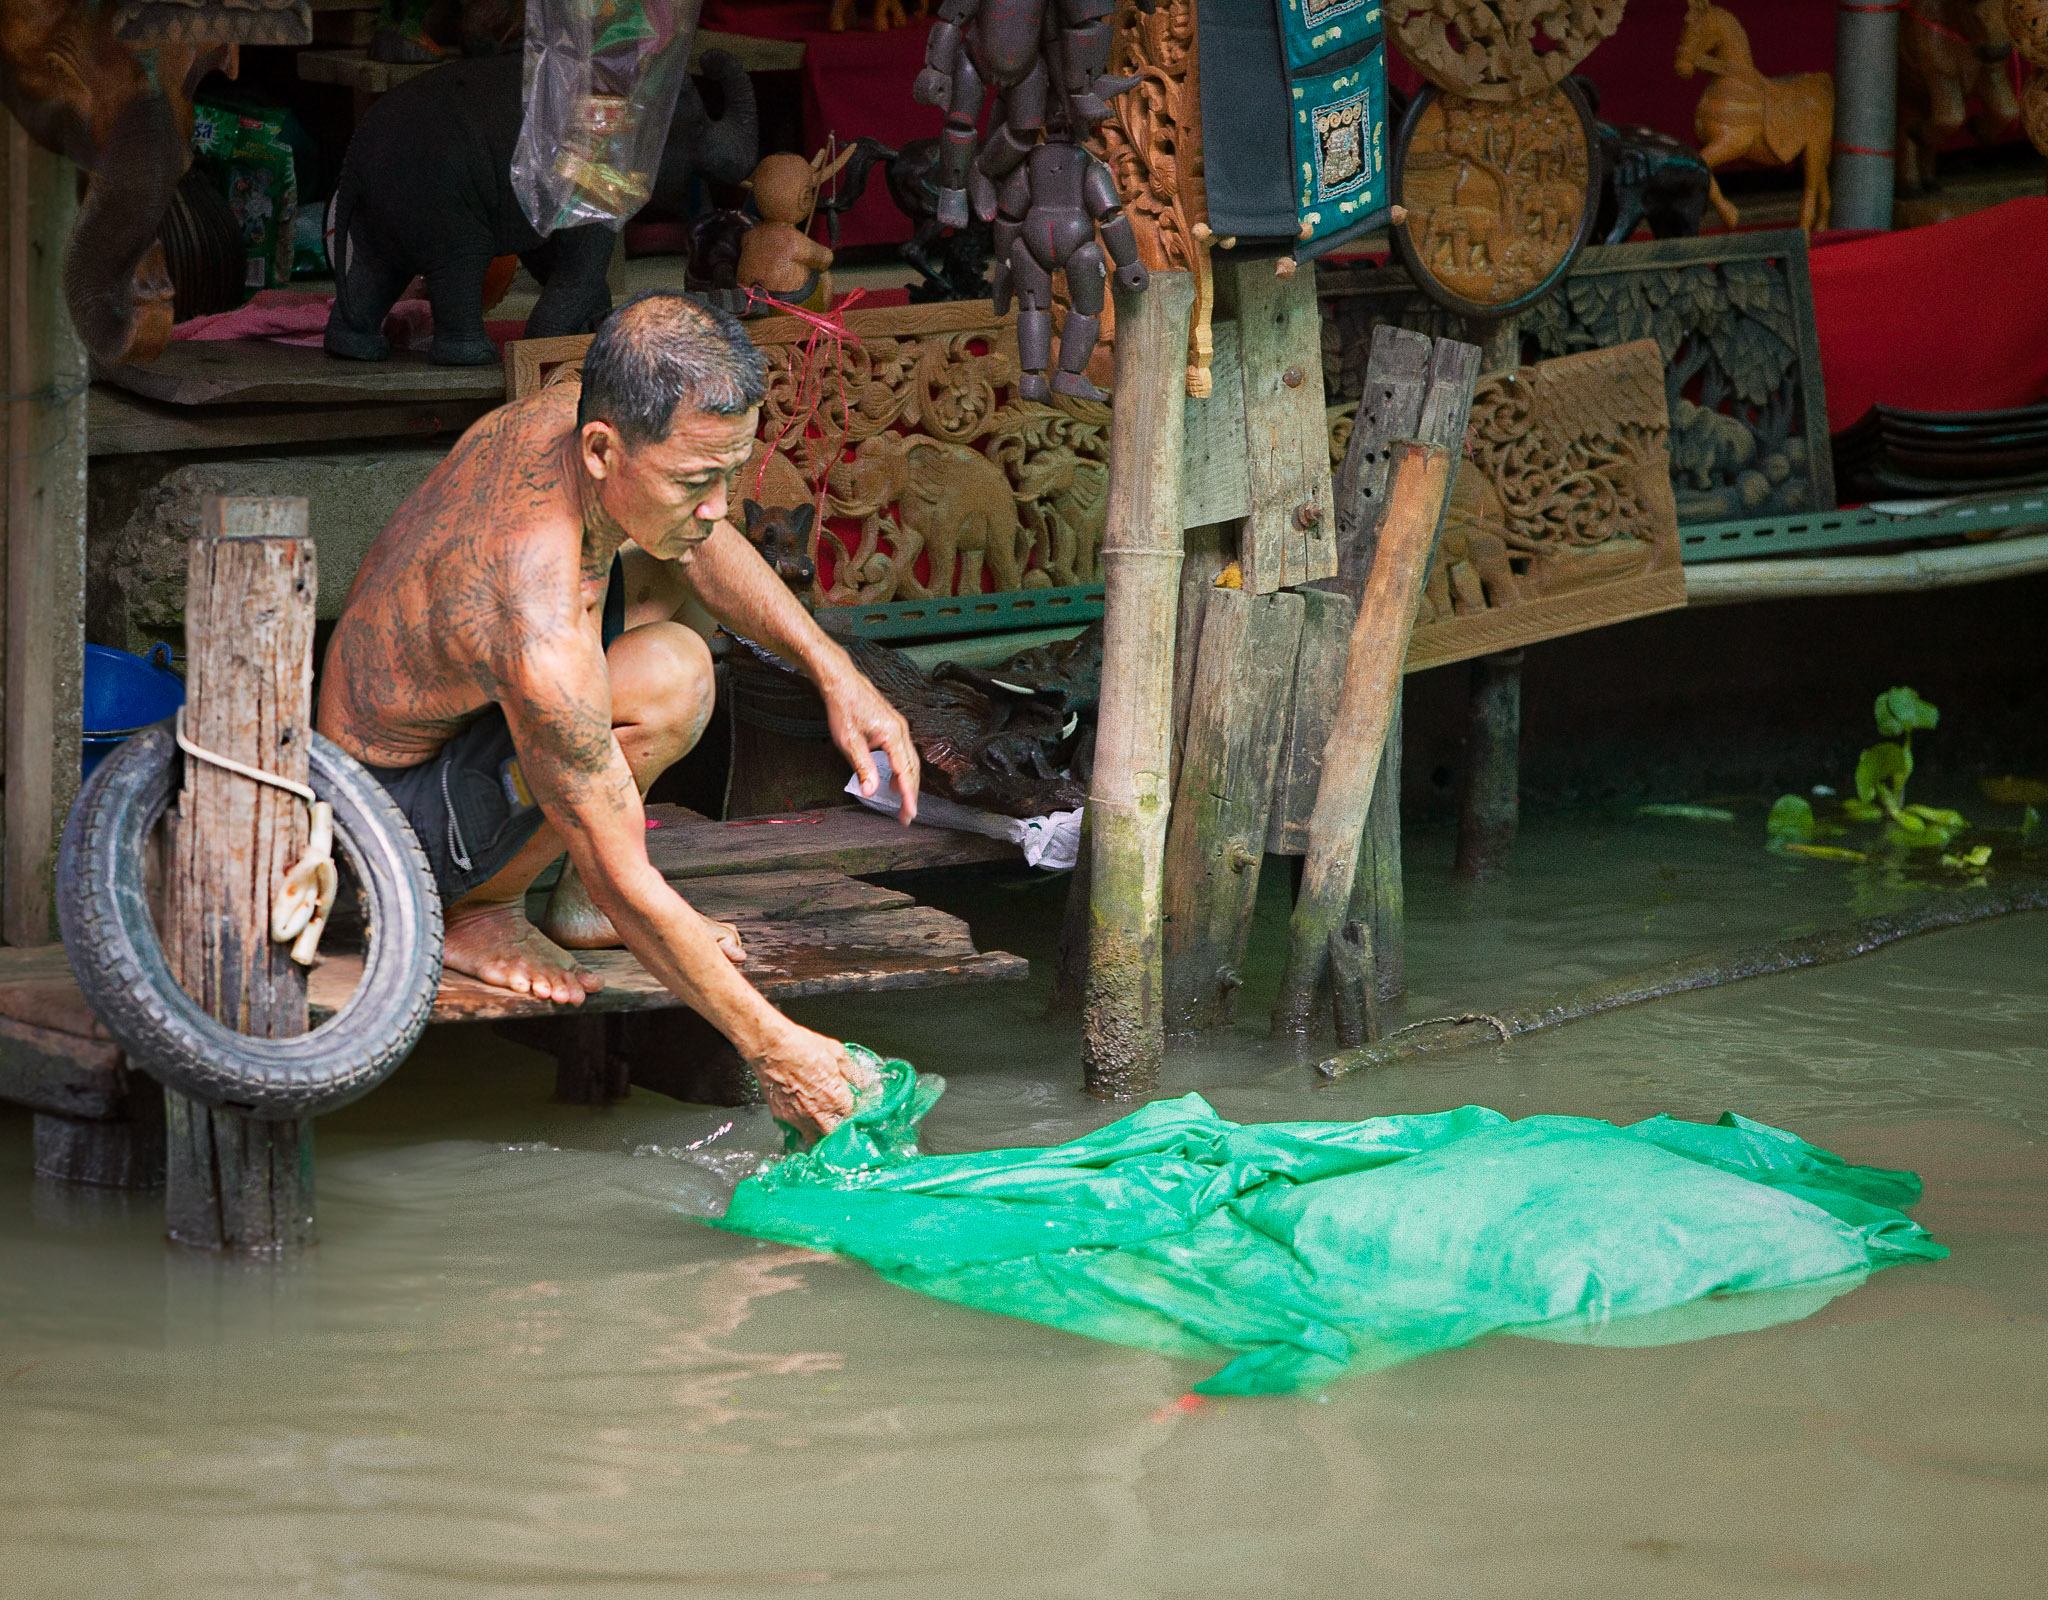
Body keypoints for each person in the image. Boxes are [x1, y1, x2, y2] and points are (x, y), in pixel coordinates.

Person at [317, 292, 919, 1136]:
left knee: (675, 611)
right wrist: (779, 1050)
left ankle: (556, 901)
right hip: (384, 820)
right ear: (602, 448)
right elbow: (620, 867)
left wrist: (834, 668)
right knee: (667, 687)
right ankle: (475, 911)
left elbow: (706, 539)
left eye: (730, 475)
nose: (718, 503)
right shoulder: (532, 607)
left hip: (460, 723)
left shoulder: (575, 409)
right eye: (693, 480)